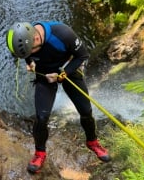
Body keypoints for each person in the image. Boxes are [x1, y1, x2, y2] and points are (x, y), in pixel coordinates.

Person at [6, 21, 111, 174]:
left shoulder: (63, 34)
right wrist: (29, 62)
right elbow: (24, 53)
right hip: (44, 75)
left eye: (31, 52)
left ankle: (92, 142)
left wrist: (62, 75)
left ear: (35, 39)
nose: (29, 55)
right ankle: (39, 153)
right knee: (41, 117)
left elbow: (82, 55)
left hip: (67, 70)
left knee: (86, 111)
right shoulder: (25, 39)